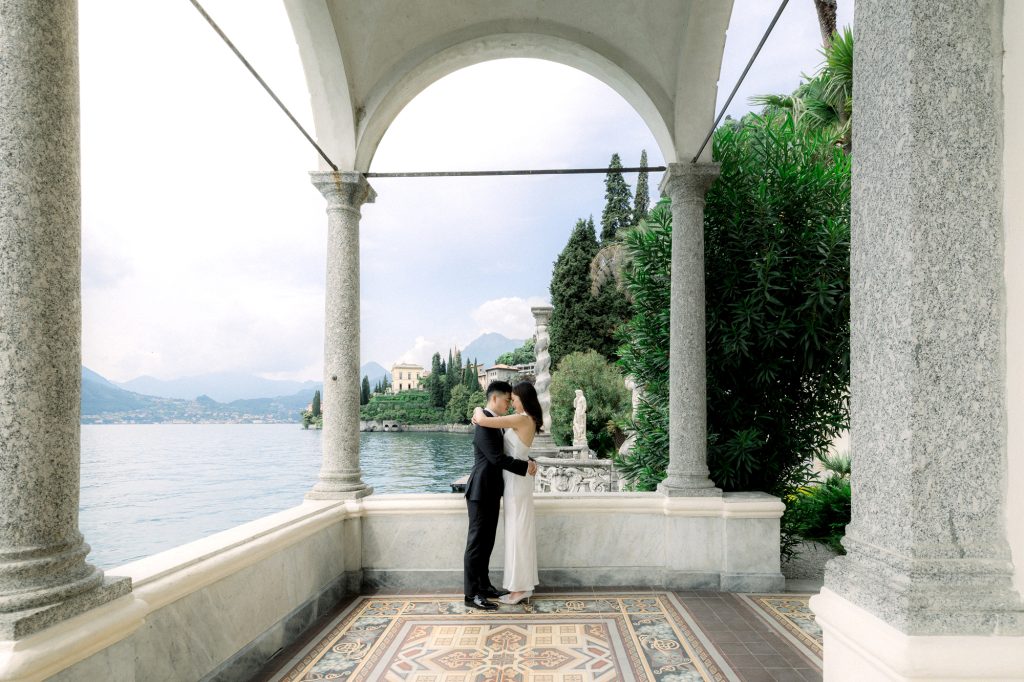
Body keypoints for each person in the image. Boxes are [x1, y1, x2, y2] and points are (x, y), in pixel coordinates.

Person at [463, 381, 538, 611]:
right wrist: (525, 467)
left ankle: (485, 586)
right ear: (494, 398)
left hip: (495, 489)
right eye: (506, 399)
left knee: (487, 542)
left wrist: (529, 460)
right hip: (480, 490)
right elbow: (496, 458)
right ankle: (472, 593)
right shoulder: (483, 422)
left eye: (511, 399)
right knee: (476, 543)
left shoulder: (497, 422)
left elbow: (513, 446)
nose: (509, 403)